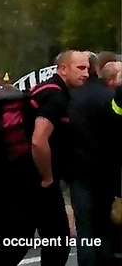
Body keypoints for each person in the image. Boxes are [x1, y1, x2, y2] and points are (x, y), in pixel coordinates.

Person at [26, 50, 89, 266]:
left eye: (87, 68)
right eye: (80, 68)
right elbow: (38, 140)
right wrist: (47, 177)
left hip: (28, 174)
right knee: (57, 242)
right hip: (37, 178)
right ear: (63, 69)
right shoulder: (55, 95)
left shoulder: (49, 90)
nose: (86, 73)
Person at [67, 52, 116, 265]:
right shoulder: (110, 96)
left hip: (80, 171)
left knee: (85, 229)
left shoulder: (71, 98)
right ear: (98, 69)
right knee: (105, 225)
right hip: (107, 171)